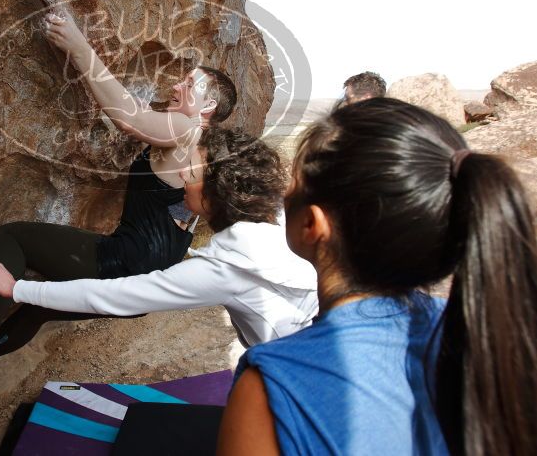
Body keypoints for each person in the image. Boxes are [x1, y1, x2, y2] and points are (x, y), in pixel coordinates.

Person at [0, 9, 239, 376]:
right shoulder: (208, 149)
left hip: (123, 264)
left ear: (209, 106)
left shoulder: (187, 128)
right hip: (147, 288)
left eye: (189, 83)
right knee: (40, 308)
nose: (176, 86)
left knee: (14, 237)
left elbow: (130, 119)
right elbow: (140, 118)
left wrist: (79, 46)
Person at [217, 98, 537, 455]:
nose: (285, 192)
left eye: (293, 183)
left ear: (312, 225)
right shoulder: (495, 339)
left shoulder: (273, 385)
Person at [0, 129, 318, 351]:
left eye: (191, 172)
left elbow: (116, 294)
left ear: (216, 193)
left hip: (293, 370)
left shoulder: (225, 270)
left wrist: (17, 289)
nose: (182, 172)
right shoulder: (280, 224)